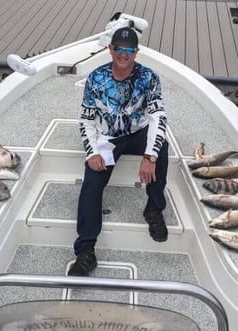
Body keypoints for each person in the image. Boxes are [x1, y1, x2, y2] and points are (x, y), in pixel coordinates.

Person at [68, 27, 169, 276]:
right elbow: (86, 119)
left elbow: (158, 116)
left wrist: (149, 156)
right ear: (110, 49)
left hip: (138, 132)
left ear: (135, 52)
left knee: (161, 146)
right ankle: (86, 250)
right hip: (108, 137)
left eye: (128, 50)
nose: (123, 54)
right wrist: (91, 152)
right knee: (92, 181)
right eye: (118, 48)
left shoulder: (150, 78)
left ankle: (154, 207)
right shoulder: (95, 78)